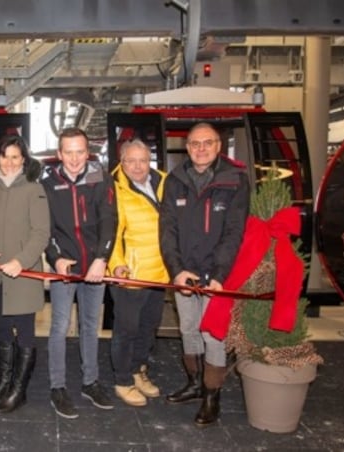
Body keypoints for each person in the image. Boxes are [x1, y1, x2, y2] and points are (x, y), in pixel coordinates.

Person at [159, 122, 249, 426]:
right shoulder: (174, 181)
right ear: (186, 147)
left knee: (213, 335)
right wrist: (176, 270)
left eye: (207, 143)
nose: (201, 148)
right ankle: (195, 382)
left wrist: (220, 273)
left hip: (217, 276)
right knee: (188, 328)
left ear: (218, 146)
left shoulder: (235, 180)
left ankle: (212, 395)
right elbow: (167, 229)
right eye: (195, 143)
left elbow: (235, 232)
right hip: (185, 273)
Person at [40, 127, 117, 419]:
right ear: (59, 154)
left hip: (95, 266)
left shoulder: (100, 177)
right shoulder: (47, 182)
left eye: (80, 152)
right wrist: (56, 258)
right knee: (59, 325)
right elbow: (45, 228)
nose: (74, 159)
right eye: (68, 152)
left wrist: (102, 258)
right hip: (65, 266)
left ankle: (90, 381)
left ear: (88, 152)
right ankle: (57, 387)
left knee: (90, 324)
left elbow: (109, 219)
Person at [0, 135, 49, 415]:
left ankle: (19, 390)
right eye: (4, 156)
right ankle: (4, 381)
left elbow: (41, 233)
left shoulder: (34, 189)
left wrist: (21, 261)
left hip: (23, 275)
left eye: (15, 157)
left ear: (24, 160)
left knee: (24, 334)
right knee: (2, 330)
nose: (9, 163)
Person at [107, 139, 169, 407]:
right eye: (130, 160)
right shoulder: (113, 189)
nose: (137, 166)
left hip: (161, 272)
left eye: (142, 160)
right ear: (122, 161)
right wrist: (116, 265)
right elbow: (110, 232)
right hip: (130, 274)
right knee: (126, 330)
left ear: (150, 160)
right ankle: (122, 380)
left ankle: (137, 370)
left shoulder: (166, 182)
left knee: (148, 328)